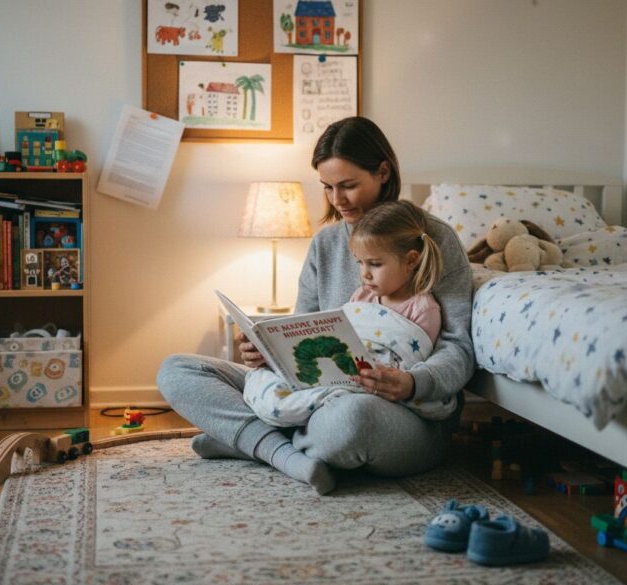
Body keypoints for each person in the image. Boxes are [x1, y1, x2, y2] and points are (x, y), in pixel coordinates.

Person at [156, 116, 474, 495]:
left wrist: (412, 383)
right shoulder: (325, 245)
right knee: (177, 370)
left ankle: (250, 441)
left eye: (348, 186)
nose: (337, 200)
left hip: (400, 410)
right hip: (313, 393)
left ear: (383, 173)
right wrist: (266, 352)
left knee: (349, 422)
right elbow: (300, 331)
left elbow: (459, 347)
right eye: (327, 188)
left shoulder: (432, 239)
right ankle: (286, 453)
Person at [243, 199, 458, 427]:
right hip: (337, 371)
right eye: (360, 263)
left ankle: (264, 433)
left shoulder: (423, 308)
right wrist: (272, 354)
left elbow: (412, 360)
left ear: (411, 260)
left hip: (368, 388)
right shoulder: (362, 296)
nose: (364, 274)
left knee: (343, 411)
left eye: (374, 264)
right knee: (252, 376)